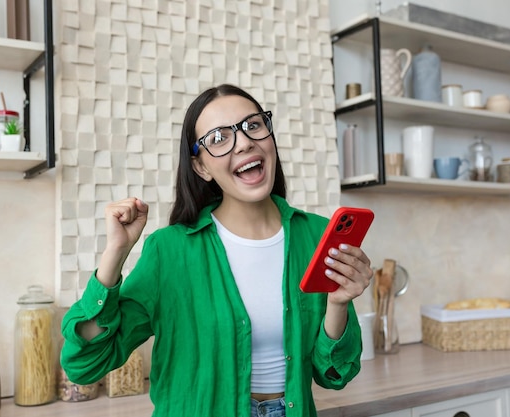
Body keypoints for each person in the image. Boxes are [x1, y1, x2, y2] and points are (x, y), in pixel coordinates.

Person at [60, 84, 373, 417]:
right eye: (219, 138)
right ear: (202, 167)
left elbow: (336, 374)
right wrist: (115, 253)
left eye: (253, 125)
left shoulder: (315, 236)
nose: (244, 141)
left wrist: (339, 303)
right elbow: (85, 364)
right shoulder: (169, 252)